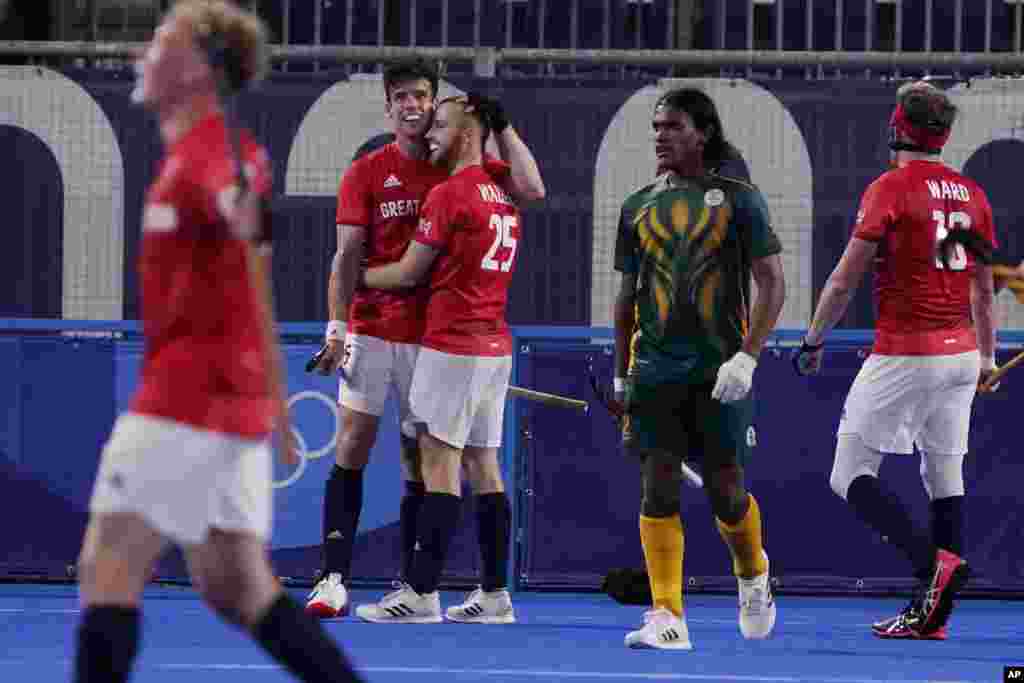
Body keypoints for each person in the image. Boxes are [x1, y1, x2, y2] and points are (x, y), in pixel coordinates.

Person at [72, 3, 363, 682]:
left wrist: (235, 202)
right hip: (224, 405)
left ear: (198, 69)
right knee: (238, 586)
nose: (141, 54)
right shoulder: (198, 156)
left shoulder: (218, 159)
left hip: (184, 400)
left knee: (106, 566)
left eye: (160, 42)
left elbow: (237, 206)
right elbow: (250, 260)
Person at [305, 59, 544, 619]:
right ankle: (333, 578)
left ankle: (415, 585)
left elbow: (531, 186)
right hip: (374, 332)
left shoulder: (464, 167)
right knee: (352, 446)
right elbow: (345, 257)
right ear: (388, 107)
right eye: (401, 98)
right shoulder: (366, 172)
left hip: (439, 343)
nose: (413, 108)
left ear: (439, 108)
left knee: (424, 462)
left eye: (422, 98)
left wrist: (501, 124)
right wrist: (337, 327)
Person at [793, 81, 996, 640]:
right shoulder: (972, 194)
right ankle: (933, 616)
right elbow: (982, 290)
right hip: (960, 354)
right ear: (945, 135)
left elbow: (843, 279)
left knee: (849, 475)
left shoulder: (890, 187)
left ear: (895, 128)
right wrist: (985, 356)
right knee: (944, 473)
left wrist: (812, 341)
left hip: (907, 353)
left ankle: (934, 567)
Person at [611, 88, 786, 650]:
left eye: (674, 126)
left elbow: (772, 283)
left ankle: (753, 572)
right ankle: (668, 616)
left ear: (703, 133)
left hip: (720, 373)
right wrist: (621, 374)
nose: (661, 135)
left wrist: (748, 357)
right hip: (655, 371)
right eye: (657, 127)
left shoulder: (741, 200)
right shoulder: (637, 204)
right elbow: (625, 296)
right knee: (656, 486)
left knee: (726, 493)